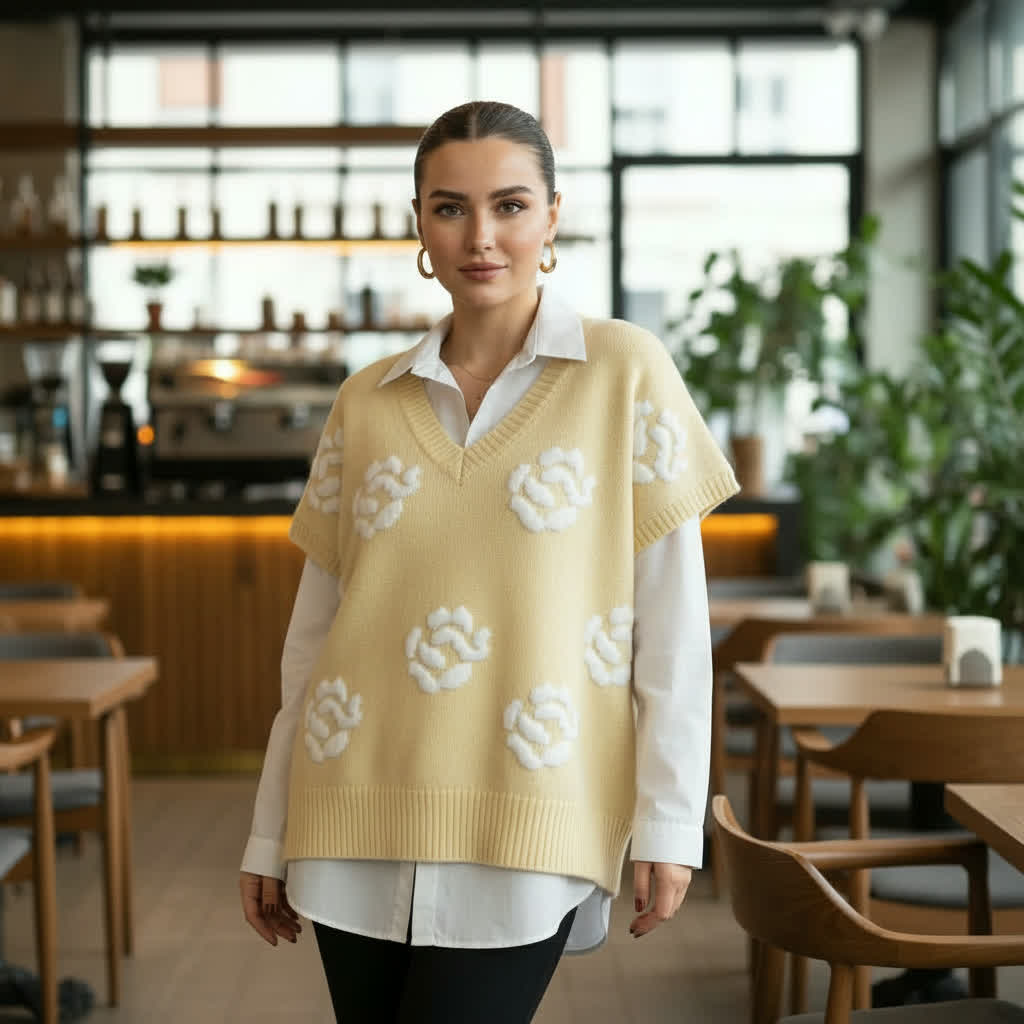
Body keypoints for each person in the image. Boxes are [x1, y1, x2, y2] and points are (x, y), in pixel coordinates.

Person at [239, 100, 739, 1024]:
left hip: (530, 826)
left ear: (552, 216)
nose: (481, 236)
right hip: (348, 817)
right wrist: (271, 829)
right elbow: (314, 645)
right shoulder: (366, 401)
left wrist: (672, 826)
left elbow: (671, 633)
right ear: (420, 226)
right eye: (450, 207)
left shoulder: (626, 371)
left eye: (510, 206)